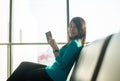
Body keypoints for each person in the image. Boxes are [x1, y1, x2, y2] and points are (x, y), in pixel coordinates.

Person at [7, 16, 86, 81]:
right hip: (52, 69)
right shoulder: (75, 43)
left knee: (26, 75)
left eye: (75, 27)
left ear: (81, 29)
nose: (71, 29)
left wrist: (54, 47)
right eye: (70, 26)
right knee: (24, 65)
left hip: (54, 76)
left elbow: (62, 64)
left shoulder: (74, 44)